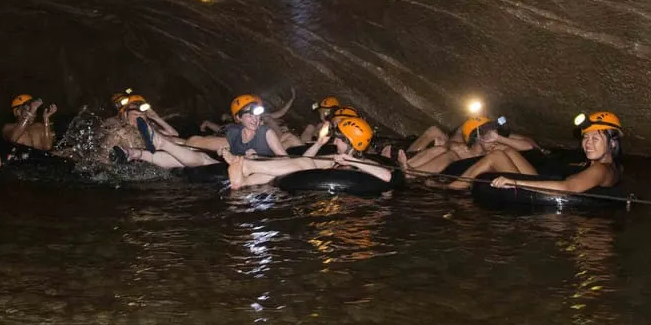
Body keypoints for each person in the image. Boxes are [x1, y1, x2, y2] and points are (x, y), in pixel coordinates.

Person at [446, 111, 623, 192]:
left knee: (495, 156)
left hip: (544, 196)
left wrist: (514, 182)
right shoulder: (601, 165)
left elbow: (567, 187)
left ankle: (453, 187)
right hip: (546, 182)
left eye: (595, 139)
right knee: (504, 151)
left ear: (612, 143)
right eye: (586, 138)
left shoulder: (601, 169)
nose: (588, 144)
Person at [222, 114, 394, 189]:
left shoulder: (359, 161)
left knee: (303, 164)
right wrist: (318, 143)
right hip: (310, 179)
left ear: (351, 142)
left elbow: (387, 176)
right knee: (289, 166)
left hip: (333, 198)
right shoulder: (337, 158)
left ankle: (247, 165)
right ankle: (243, 181)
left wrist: (352, 161)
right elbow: (298, 162)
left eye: (339, 139)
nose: (335, 141)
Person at [402, 116, 535, 176]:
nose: (491, 138)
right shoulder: (459, 147)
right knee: (439, 149)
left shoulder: (496, 146)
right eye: (487, 135)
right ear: (476, 138)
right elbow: (452, 143)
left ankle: (411, 172)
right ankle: (406, 167)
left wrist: (499, 138)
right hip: (459, 165)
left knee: (449, 154)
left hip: (470, 172)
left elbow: (528, 146)